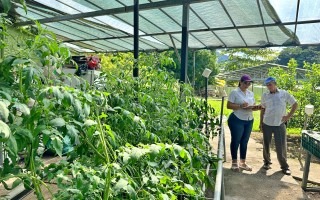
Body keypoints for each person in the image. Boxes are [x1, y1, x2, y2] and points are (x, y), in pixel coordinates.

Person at [260, 77, 298, 175]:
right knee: (266, 144)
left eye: (270, 84)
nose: (269, 87)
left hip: (279, 124)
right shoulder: (265, 95)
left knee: (281, 146)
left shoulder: (283, 93)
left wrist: (288, 116)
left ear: (275, 83)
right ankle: (267, 162)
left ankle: (284, 166)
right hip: (267, 123)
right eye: (267, 85)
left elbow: (295, 104)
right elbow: (263, 109)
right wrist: (261, 122)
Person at [227, 75, 261, 171]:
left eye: (249, 83)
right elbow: (229, 105)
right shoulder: (235, 92)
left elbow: (252, 106)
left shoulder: (250, 93)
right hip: (237, 119)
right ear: (240, 82)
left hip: (249, 119)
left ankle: (243, 162)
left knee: (244, 141)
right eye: (245, 82)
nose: (247, 85)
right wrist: (240, 105)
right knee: (236, 140)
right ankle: (234, 162)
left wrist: (257, 107)